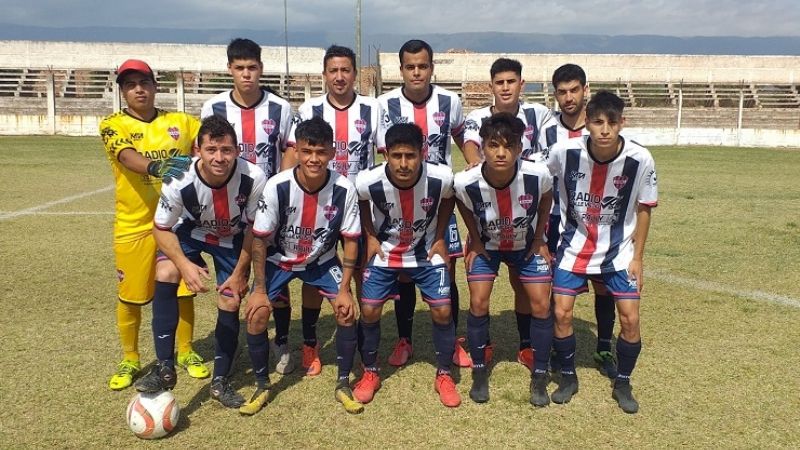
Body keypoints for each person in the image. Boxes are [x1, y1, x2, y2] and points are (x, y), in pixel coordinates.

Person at [133, 115, 268, 414]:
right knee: (166, 270)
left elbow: (253, 231)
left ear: (236, 150)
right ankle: (165, 368)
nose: (219, 158)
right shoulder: (179, 178)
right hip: (190, 233)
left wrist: (239, 273)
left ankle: (220, 379)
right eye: (211, 150)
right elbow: (161, 228)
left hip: (233, 238)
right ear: (198, 149)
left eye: (226, 150)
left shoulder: (254, 177)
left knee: (231, 299)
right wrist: (184, 264)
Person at [99, 59, 209, 391]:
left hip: (177, 224)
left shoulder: (182, 122)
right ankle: (131, 357)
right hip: (134, 224)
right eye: (130, 84)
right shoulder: (111, 124)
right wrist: (156, 167)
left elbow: (211, 139)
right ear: (122, 91)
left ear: (154, 86)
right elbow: (126, 156)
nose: (138, 89)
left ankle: (186, 351)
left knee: (181, 288)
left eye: (143, 82)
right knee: (131, 297)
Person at [546, 91, 658, 414]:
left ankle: (622, 381)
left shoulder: (641, 159)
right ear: (587, 124)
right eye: (597, 122)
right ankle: (567, 377)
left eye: (612, 122)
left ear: (623, 123)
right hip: (573, 247)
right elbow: (539, 180)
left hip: (619, 252)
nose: (605, 130)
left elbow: (646, 208)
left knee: (631, 319)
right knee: (562, 312)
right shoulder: (563, 152)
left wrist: (638, 257)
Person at [248, 116, 364, 414]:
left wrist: (345, 289)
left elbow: (350, 240)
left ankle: (342, 383)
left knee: (345, 312)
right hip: (279, 260)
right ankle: (261, 386)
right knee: (258, 314)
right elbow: (259, 240)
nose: (314, 159)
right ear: (297, 152)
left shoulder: (344, 188)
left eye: (321, 152)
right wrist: (259, 289)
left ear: (332, 152)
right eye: (307, 151)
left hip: (321, 261)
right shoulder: (277, 186)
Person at [201, 38, 297, 375]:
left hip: (270, 210)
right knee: (232, 282)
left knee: (275, 283)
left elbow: (290, 148)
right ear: (230, 69)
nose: (246, 74)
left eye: (252, 68)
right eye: (239, 68)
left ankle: (281, 340)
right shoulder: (213, 108)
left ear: (261, 68)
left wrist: (280, 185)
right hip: (228, 211)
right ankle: (231, 348)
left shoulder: (280, 108)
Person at [286, 44, 379, 377]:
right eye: (333, 71)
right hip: (318, 205)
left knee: (362, 272)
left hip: (359, 207)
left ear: (355, 73)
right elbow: (292, 154)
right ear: (324, 74)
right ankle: (310, 342)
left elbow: (382, 156)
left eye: (346, 70)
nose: (340, 77)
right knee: (314, 276)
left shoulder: (372, 108)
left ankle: (363, 342)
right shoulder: (310, 108)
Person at [354, 122, 461, 408]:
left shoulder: (442, 178)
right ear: (386, 154)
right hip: (387, 252)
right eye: (396, 156)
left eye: (410, 156)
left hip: (425, 251)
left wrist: (440, 237)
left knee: (442, 309)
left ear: (422, 153)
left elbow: (450, 200)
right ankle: (371, 371)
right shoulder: (368, 181)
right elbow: (362, 201)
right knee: (369, 309)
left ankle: (444, 373)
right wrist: (371, 236)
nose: (403, 164)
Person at [376, 39, 468, 367]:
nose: (417, 72)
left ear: (431, 67)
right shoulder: (384, 104)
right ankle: (404, 340)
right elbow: (382, 153)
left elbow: (461, 136)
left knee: (446, 267)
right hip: (402, 204)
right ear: (400, 69)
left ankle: (453, 340)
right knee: (403, 274)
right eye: (410, 66)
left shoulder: (449, 101)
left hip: (441, 200)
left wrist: (472, 167)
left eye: (423, 66)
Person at [460, 57, 554, 370]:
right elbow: (471, 148)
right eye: (499, 82)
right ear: (491, 86)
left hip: (524, 212)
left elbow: (550, 163)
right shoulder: (478, 118)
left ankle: (527, 346)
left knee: (525, 287)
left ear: (521, 84)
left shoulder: (538, 115)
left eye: (511, 81)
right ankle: (481, 350)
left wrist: (524, 167)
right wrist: (481, 168)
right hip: (490, 217)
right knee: (479, 297)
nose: (505, 87)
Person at [454, 113, 553, 405]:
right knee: (478, 302)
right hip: (487, 246)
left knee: (541, 303)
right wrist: (473, 238)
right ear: (481, 147)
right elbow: (460, 202)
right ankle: (480, 370)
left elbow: (547, 197)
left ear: (520, 149)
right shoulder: (465, 181)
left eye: (508, 146)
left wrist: (538, 239)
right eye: (493, 145)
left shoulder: (538, 174)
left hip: (525, 246)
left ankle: (539, 375)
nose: (500, 152)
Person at [543, 64, 618, 379]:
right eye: (562, 91)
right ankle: (559, 351)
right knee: (555, 288)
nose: (569, 97)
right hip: (556, 221)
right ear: (556, 94)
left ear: (585, 90)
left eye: (574, 90)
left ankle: (603, 348)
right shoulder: (548, 130)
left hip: (600, 222)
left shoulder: (600, 125)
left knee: (604, 288)